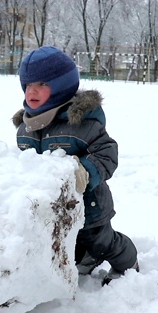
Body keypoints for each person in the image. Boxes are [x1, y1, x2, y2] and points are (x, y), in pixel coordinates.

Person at [11, 46, 139, 285]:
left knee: (101, 241)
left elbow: (107, 152)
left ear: (60, 85)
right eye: (28, 85)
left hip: (90, 206)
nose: (32, 91)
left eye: (42, 84)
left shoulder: (83, 123)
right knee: (70, 241)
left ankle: (128, 262)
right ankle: (85, 258)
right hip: (56, 209)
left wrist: (85, 172)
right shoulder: (25, 127)